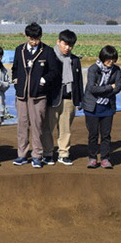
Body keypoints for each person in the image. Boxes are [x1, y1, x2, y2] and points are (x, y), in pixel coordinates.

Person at [11, 22, 60, 168]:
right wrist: (17, 82)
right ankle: (22, 155)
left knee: (38, 126)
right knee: (22, 125)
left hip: (38, 96)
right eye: (31, 39)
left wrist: (44, 80)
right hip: (22, 96)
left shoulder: (47, 51)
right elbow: (15, 68)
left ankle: (37, 156)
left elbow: (54, 71)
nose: (34, 42)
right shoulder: (19, 50)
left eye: (37, 39)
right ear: (27, 37)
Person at [40, 29, 84, 166]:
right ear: (58, 42)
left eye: (70, 45)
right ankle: (47, 153)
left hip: (69, 98)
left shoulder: (75, 60)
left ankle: (63, 153)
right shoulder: (49, 56)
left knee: (65, 129)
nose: (67, 48)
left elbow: (79, 81)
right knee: (48, 128)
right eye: (65, 44)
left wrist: (79, 99)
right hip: (52, 98)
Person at [82, 46, 121, 169]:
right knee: (93, 134)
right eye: (108, 61)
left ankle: (105, 158)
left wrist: (107, 90)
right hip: (92, 107)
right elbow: (92, 88)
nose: (111, 63)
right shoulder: (93, 69)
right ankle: (93, 158)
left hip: (107, 107)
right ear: (102, 58)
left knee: (106, 135)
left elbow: (118, 87)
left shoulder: (117, 70)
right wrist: (109, 87)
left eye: (113, 61)